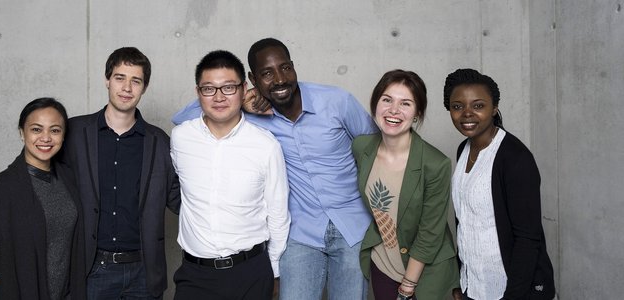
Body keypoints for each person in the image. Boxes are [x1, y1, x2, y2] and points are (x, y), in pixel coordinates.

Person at [172, 38, 375, 300]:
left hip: (353, 227)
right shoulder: (252, 119)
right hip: (301, 232)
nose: (279, 79)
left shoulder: (337, 101)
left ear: (293, 67)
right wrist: (238, 95)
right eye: (267, 74)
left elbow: (375, 149)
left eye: (285, 68)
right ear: (253, 79)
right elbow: (184, 120)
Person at [62, 47, 181, 299]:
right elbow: (41, 182)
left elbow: (183, 202)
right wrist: (1, 230)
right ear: (107, 80)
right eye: (120, 78)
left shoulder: (159, 142)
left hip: (144, 272)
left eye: (135, 81)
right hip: (92, 270)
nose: (127, 88)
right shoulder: (74, 133)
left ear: (144, 87)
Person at [170, 50, 290, 300]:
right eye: (209, 89)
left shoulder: (265, 145)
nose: (219, 97)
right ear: (198, 93)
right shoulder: (181, 138)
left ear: (244, 89)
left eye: (228, 88)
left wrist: (275, 271)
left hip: (250, 272)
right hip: (195, 274)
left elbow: (278, 214)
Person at [443, 68, 556, 300]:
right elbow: (467, 221)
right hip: (473, 285)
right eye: (457, 106)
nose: (467, 114)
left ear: (494, 108)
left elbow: (528, 238)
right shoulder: (463, 150)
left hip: (511, 290)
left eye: (478, 105)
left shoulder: (515, 158)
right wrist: (462, 283)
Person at [352, 70, 459, 300]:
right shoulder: (362, 148)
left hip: (425, 270)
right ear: (375, 104)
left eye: (405, 103)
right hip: (382, 264)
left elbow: (430, 232)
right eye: (387, 100)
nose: (393, 110)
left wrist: (408, 286)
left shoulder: (436, 164)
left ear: (417, 113)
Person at [0, 97, 86, 300]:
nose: (46, 138)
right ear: (22, 133)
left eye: (55, 130)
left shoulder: (70, 180)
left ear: (63, 136)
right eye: (36, 129)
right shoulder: (2, 188)